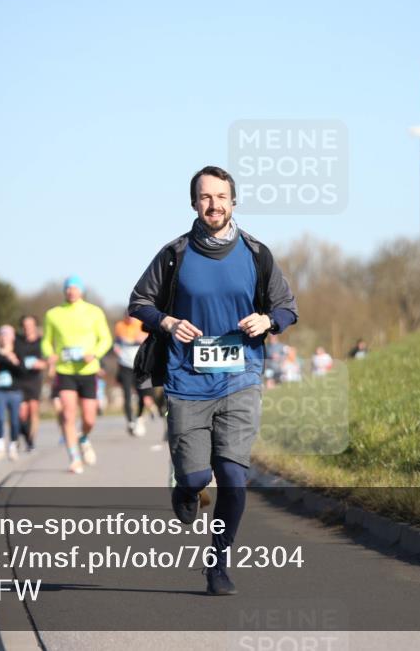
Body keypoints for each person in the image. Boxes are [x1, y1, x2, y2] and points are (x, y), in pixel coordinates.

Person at [129, 165, 298, 595]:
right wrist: (165, 321)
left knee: (235, 478)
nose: (214, 204)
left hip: (242, 378)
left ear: (233, 201)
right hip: (187, 381)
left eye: (221, 196)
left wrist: (268, 320)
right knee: (197, 478)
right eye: (205, 197)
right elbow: (139, 302)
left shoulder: (256, 253)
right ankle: (183, 487)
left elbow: (286, 308)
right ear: (194, 203)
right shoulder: (175, 254)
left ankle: (218, 563)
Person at [42, 276, 113, 474]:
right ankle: (74, 457)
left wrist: (95, 354)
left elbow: (105, 339)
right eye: (68, 289)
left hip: (88, 371)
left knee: (89, 418)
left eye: (74, 288)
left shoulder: (93, 312)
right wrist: (50, 355)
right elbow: (46, 342)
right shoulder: (53, 314)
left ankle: (83, 438)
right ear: (64, 291)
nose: (71, 292)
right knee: (67, 414)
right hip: (65, 371)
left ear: (81, 291)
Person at [113, 311, 158, 437]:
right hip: (124, 365)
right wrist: (116, 347)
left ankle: (139, 417)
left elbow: (150, 339)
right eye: (128, 317)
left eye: (132, 317)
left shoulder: (141, 324)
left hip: (139, 365)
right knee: (126, 395)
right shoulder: (119, 326)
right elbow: (116, 341)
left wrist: (141, 338)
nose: (130, 319)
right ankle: (130, 421)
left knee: (142, 394)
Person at [0, 325, 24, 463]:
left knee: (14, 421)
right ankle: (0, 447)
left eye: (7, 334)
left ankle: (13, 447)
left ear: (12, 337)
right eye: (2, 334)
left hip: (15, 391)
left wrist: (14, 360)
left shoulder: (18, 351)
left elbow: (23, 372)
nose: (4, 337)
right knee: (0, 419)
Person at [15, 315, 46, 451]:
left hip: (34, 379)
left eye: (30, 325)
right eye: (25, 325)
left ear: (35, 326)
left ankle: (31, 440)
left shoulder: (42, 341)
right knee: (22, 413)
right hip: (20, 378)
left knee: (33, 410)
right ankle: (25, 434)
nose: (28, 328)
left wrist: (43, 364)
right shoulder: (18, 341)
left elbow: (49, 359)